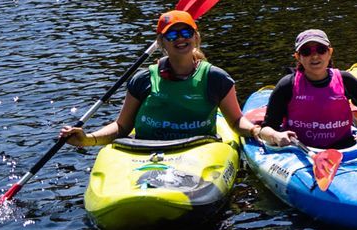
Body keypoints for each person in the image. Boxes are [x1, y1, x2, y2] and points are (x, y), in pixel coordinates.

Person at [61, 9, 245, 146]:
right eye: (172, 35)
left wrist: (255, 130)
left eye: (186, 33)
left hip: (197, 150)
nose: (180, 39)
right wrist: (88, 139)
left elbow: (236, 121)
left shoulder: (215, 78)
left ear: (196, 38)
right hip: (145, 149)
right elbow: (122, 127)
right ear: (161, 42)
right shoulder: (143, 80)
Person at [242, 29, 357, 149]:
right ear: (298, 57)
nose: (314, 56)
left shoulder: (346, 80)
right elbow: (266, 129)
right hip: (300, 151)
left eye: (321, 50)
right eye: (306, 52)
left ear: (330, 52)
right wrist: (276, 135)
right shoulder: (287, 85)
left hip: (346, 148)